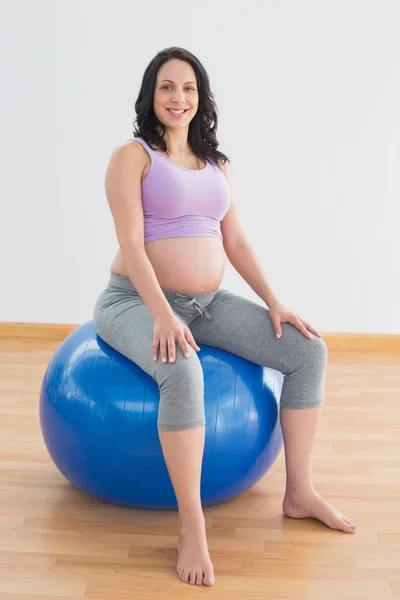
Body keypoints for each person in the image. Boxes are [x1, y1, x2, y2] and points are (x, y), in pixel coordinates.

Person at [93, 46, 356, 587]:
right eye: (167, 87)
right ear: (149, 96)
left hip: (206, 306)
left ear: (201, 98)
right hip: (136, 301)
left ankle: (300, 491)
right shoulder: (133, 156)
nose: (178, 98)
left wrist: (274, 301)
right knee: (184, 373)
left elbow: (234, 240)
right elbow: (132, 245)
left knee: (308, 351)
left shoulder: (217, 164)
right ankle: (192, 527)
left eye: (188, 88)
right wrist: (164, 315)